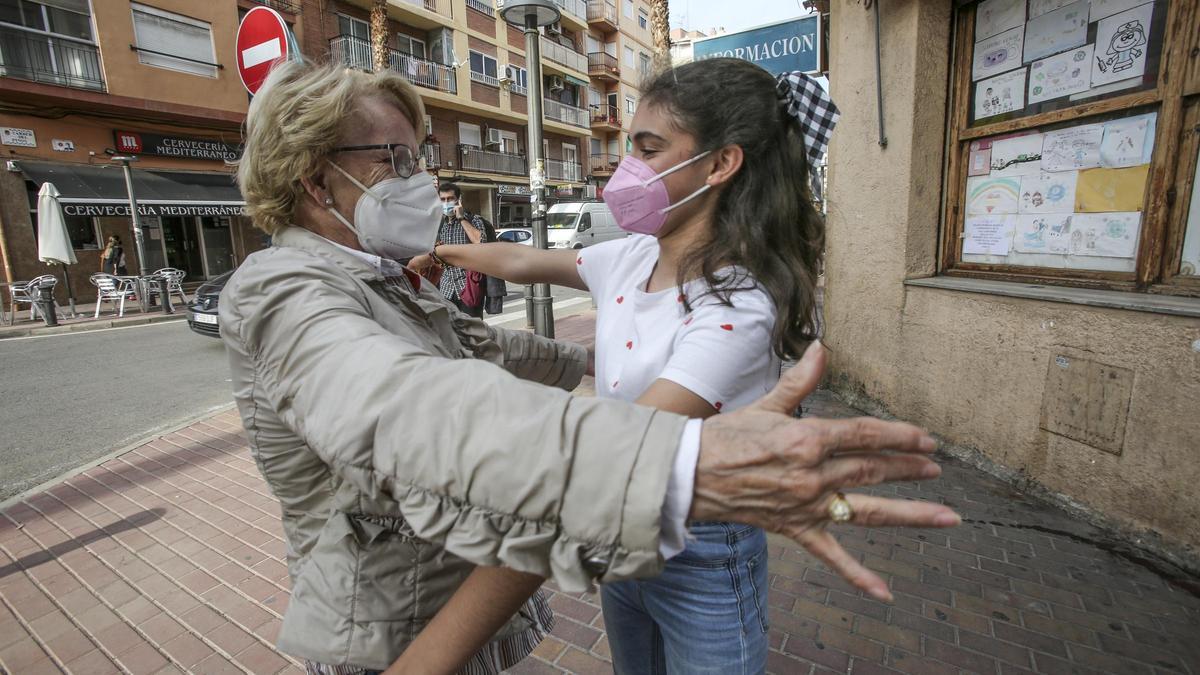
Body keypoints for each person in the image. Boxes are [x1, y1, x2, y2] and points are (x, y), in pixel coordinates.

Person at [222, 59, 959, 675]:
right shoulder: (281, 289)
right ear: (318, 181)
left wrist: (590, 363)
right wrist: (667, 461)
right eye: (397, 160)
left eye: (648, 146)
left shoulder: (376, 275)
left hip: (531, 580)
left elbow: (479, 351)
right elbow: (406, 401)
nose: (419, 179)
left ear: (722, 163)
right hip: (395, 626)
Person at [410, 58, 843, 673]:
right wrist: (444, 251)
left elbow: (619, 456)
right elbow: (528, 262)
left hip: (702, 552)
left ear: (721, 164)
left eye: (649, 148)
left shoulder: (737, 307)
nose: (627, 168)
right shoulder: (633, 255)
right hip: (623, 542)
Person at [435, 182, 489, 318]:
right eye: (443, 200)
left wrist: (461, 218)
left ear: (458, 200)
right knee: (452, 331)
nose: (446, 203)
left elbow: (480, 242)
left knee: (473, 333)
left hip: (468, 287)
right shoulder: (440, 224)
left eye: (450, 199)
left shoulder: (473, 220)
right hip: (446, 289)